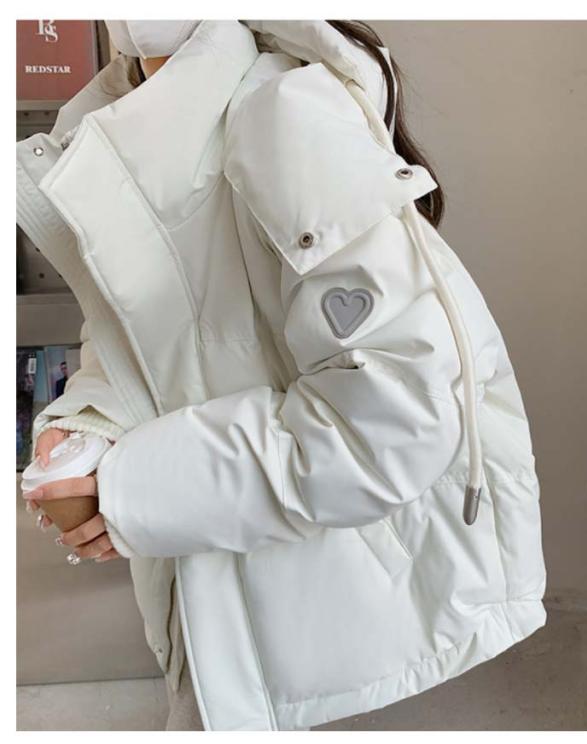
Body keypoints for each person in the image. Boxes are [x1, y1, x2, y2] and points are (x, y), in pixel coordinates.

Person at [17, 20, 546, 731]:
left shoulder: (284, 117)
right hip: (207, 564)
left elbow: (392, 417)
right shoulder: (112, 121)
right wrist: (86, 422)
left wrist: (134, 490)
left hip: (319, 597)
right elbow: (143, 337)